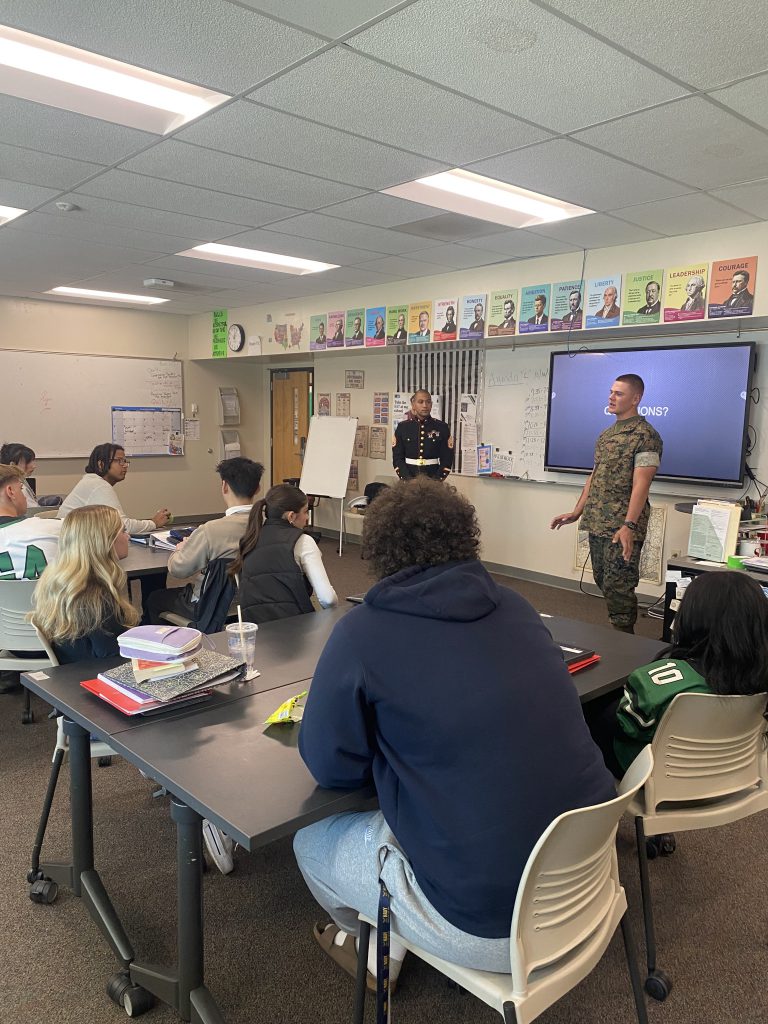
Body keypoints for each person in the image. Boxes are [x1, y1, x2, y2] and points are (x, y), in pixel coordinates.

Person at [294, 479, 615, 991]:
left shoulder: (360, 634)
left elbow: (332, 768)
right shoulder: (518, 607)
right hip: (591, 880)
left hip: (490, 930)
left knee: (311, 839)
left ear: (377, 550)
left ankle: (372, 946)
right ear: (465, 539)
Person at [589, 572, 768, 778]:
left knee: (592, 711)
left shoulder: (659, 681)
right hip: (729, 772)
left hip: (654, 777)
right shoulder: (759, 676)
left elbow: (623, 727)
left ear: (692, 617)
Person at [550, 374, 662, 633]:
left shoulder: (646, 435)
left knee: (619, 585)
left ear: (636, 398)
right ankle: (621, 639)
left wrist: (629, 525)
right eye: (611, 392)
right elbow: (594, 475)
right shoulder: (606, 435)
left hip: (622, 525)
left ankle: (626, 644)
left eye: (619, 394)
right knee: (604, 580)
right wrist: (577, 511)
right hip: (598, 521)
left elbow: (641, 483)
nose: (611, 397)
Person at [146, 458, 264, 625]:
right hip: (255, 603)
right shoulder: (269, 524)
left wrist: (181, 549)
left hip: (210, 605)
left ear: (224, 486)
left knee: (155, 598)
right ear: (258, 488)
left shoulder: (210, 530)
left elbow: (178, 570)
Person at [31, 505, 138, 663]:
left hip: (73, 668)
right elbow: (112, 655)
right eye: (123, 531)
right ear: (105, 540)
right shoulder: (96, 596)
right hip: (97, 676)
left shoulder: (62, 580)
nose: (127, 536)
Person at [234, 484, 338, 625]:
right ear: (291, 516)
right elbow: (328, 599)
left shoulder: (249, 540)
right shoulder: (303, 541)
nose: (307, 518)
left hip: (256, 631)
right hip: (296, 631)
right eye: (306, 512)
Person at [58, 443, 171, 535]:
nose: (125, 465)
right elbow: (122, 526)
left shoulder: (91, 481)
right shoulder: (98, 485)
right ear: (101, 464)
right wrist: (154, 522)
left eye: (125, 461)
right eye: (119, 461)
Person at [0, 464, 62, 581]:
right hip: (45, 599)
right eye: (21, 489)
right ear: (11, 491)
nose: (24, 497)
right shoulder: (54, 528)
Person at [392, 390, 453, 481]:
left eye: (428, 402)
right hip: (408, 479)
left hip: (433, 479)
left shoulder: (442, 427)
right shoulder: (403, 427)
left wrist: (436, 481)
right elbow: (398, 458)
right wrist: (408, 480)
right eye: (420, 402)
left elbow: (447, 459)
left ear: (431, 404)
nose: (425, 405)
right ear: (413, 404)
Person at [0, 442, 39, 508]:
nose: (33, 466)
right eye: (28, 462)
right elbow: (32, 511)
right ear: (13, 465)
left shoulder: (21, 480)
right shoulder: (18, 487)